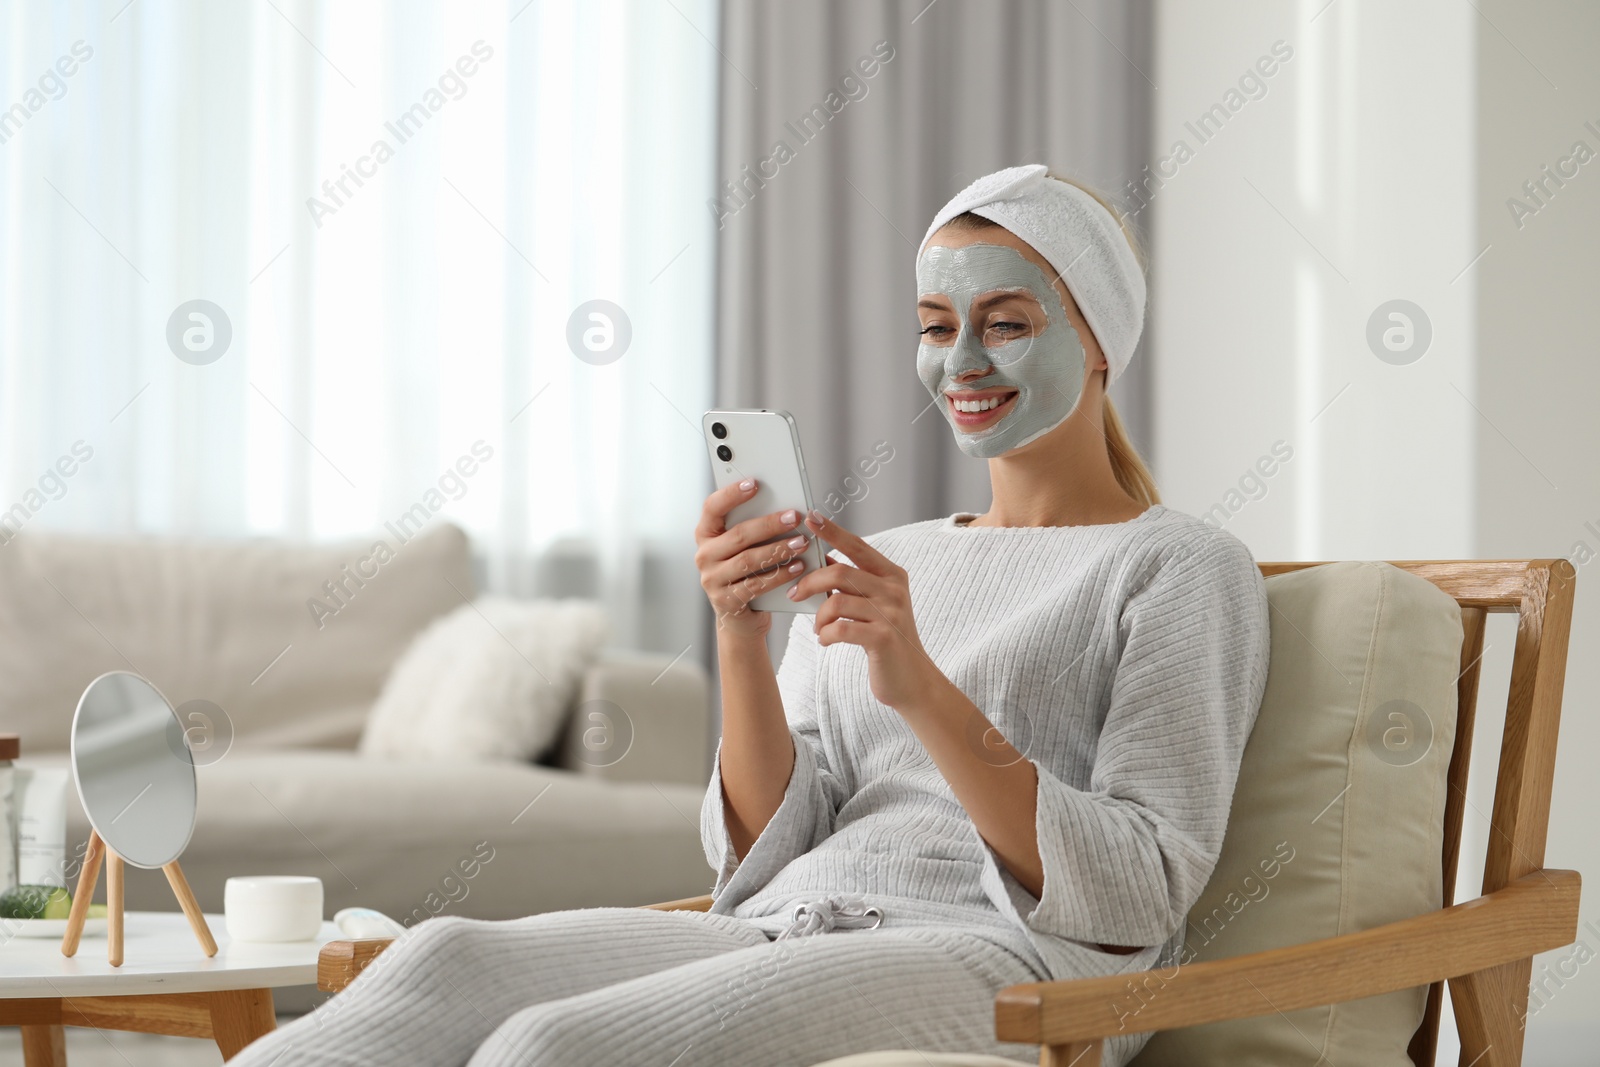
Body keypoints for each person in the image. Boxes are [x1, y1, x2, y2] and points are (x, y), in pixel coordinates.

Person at [231, 163, 1271, 1067]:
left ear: (1101, 343)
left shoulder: (1178, 566)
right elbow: (772, 843)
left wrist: (919, 686)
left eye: (1005, 324)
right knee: (444, 955)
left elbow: (1138, 889)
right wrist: (740, 629)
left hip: (1006, 959)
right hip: (794, 917)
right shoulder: (895, 558)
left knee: (552, 1046)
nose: (961, 362)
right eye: (936, 326)